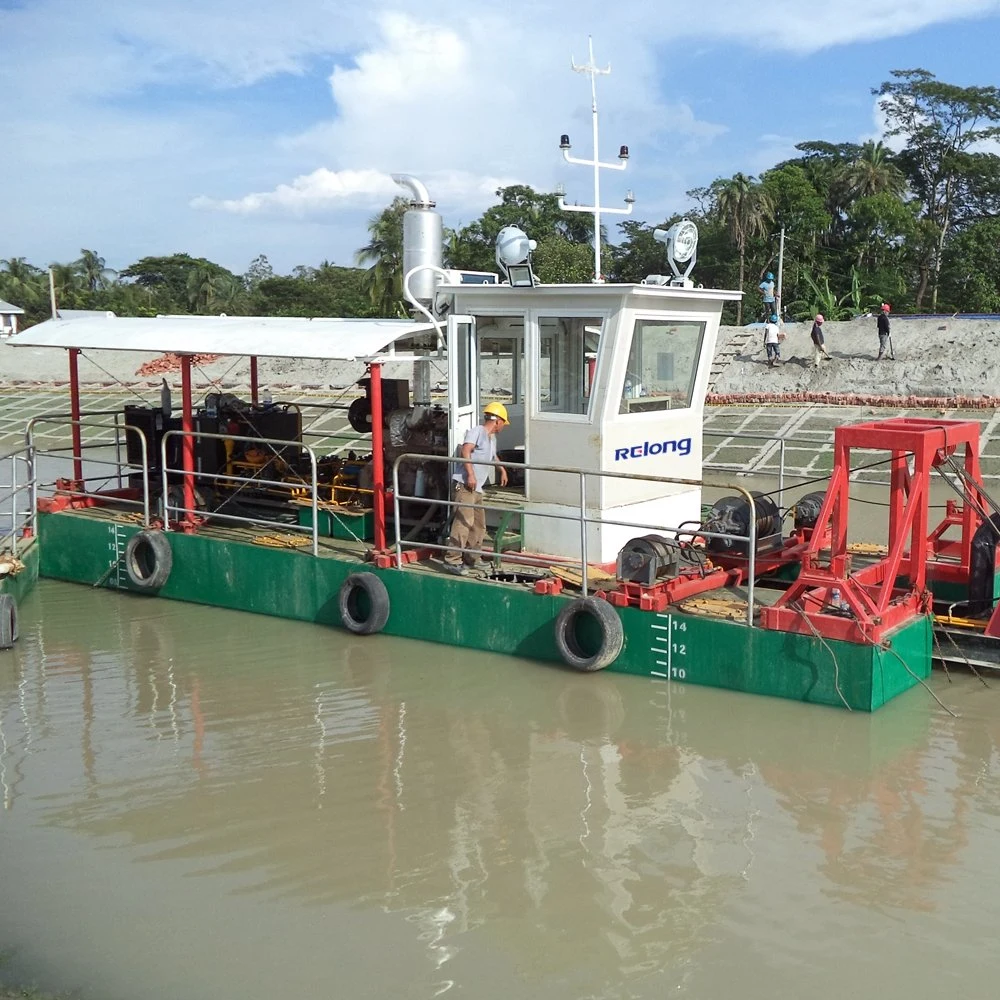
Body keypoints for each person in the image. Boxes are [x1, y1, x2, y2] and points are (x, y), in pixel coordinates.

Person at [443, 402, 509, 575]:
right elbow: (466, 450)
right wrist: (470, 475)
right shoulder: (477, 431)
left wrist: (501, 469)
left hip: (477, 488)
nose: (503, 426)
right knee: (464, 522)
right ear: (498, 421)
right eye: (504, 423)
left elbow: (493, 456)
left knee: (479, 525)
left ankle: (472, 558)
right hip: (465, 485)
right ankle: (452, 560)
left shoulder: (490, 438)